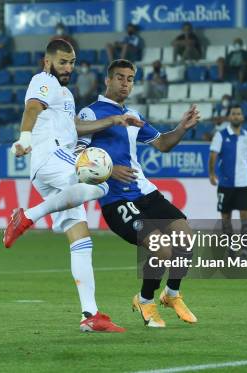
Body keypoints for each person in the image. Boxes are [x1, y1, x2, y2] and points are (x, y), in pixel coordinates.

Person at [3, 39, 143, 332]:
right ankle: (28, 215)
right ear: (47, 61)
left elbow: (76, 128)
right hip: (52, 156)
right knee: (103, 181)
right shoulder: (43, 80)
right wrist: (25, 138)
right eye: (62, 61)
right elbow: (32, 107)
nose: (67, 67)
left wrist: (114, 120)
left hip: (52, 167)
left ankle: (89, 315)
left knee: (81, 241)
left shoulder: (65, 94)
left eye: (71, 62)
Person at [78, 59, 200, 328]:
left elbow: (163, 144)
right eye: (120, 77)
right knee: (162, 250)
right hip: (116, 199)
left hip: (144, 191)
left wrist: (181, 128)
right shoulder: (90, 113)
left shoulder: (132, 115)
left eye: (130, 78)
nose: (125, 83)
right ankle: (145, 300)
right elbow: (77, 153)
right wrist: (109, 171)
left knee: (186, 239)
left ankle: (172, 295)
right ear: (108, 80)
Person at [209, 105, 247, 259]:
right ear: (229, 117)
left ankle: (244, 252)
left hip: (244, 184)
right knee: (226, 219)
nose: (236, 116)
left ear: (242, 117)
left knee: (246, 219)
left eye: (239, 114)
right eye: (233, 114)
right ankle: (231, 249)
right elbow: (213, 156)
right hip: (225, 185)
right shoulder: (220, 136)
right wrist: (212, 174)